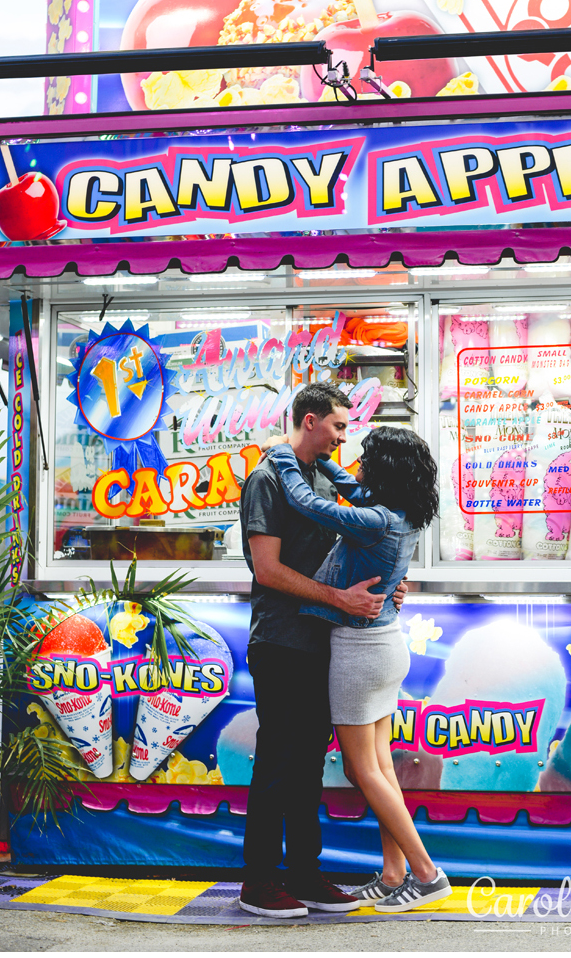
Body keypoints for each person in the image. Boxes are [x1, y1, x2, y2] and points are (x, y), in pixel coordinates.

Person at [266, 426, 451, 914]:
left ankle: (427, 873)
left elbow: (313, 505)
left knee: (361, 768)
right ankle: (394, 876)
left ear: (384, 470)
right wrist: (324, 462)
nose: (357, 464)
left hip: (359, 650)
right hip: (384, 647)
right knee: (380, 766)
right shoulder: (400, 513)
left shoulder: (374, 521)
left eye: (365, 457)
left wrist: (287, 459)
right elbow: (349, 488)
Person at [238, 382, 402, 919]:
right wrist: (340, 598)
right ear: (310, 421)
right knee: (278, 763)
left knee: (308, 763)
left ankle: (304, 875)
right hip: (281, 641)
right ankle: (259, 883)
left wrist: (383, 586)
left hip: (319, 642)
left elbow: (346, 545)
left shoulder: (314, 476)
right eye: (336, 426)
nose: (342, 436)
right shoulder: (267, 478)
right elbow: (266, 570)